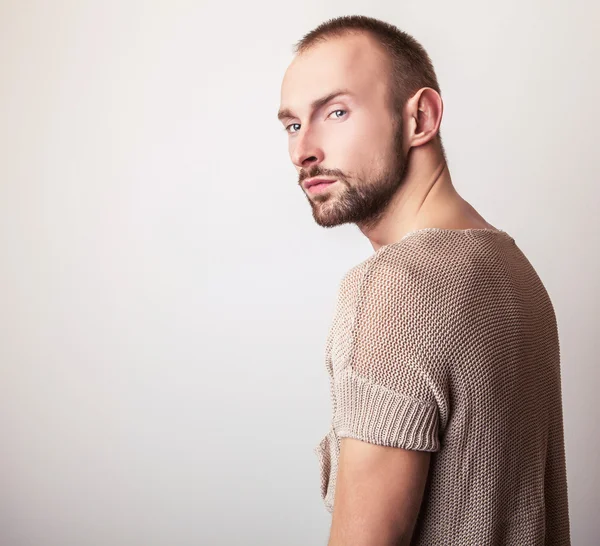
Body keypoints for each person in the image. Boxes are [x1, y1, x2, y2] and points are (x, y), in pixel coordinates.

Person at [276, 14, 571, 546]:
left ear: (421, 118)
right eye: (294, 125)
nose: (303, 151)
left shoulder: (394, 286)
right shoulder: (510, 268)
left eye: (336, 112)